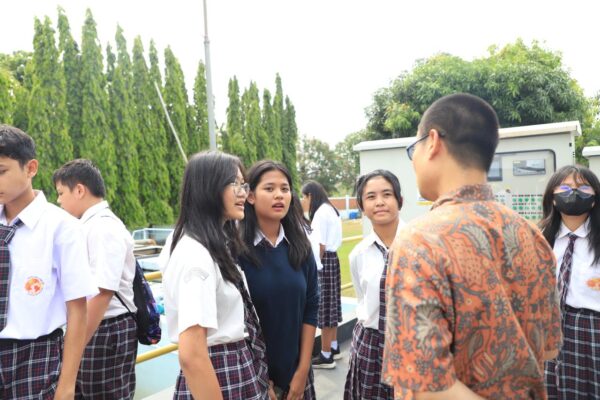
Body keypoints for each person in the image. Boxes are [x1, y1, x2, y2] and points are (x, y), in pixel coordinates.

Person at [382, 93, 561, 399]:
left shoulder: (420, 241)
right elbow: (548, 349)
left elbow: (426, 389)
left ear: (434, 141)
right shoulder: (532, 235)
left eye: (414, 148)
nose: (413, 160)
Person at [159, 151, 270, 400]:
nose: (243, 193)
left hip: (233, 366)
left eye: (244, 184)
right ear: (208, 188)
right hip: (219, 372)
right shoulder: (195, 254)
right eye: (235, 184)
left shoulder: (213, 243)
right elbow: (192, 353)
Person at [0, 125, 97, 399]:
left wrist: (67, 385)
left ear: (30, 168)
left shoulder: (61, 227)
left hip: (34, 356)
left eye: (1, 171)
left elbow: (78, 310)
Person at [53, 159, 138, 399]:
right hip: (99, 325)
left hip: (104, 327)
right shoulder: (91, 226)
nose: (58, 200)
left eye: (61, 193)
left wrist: (74, 345)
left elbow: (102, 293)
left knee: (101, 394)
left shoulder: (103, 228)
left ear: (79, 190)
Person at [239, 160, 319, 400]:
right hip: (253, 377)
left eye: (285, 189)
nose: (279, 196)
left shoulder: (300, 248)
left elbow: (311, 307)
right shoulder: (236, 252)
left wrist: (303, 369)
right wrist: (260, 377)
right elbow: (237, 323)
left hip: (297, 374)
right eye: (269, 188)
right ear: (250, 196)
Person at [540, 165, 600, 399]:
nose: (573, 192)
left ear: (594, 199)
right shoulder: (539, 237)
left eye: (583, 187)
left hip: (594, 330)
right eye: (565, 187)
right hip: (551, 327)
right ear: (553, 199)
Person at [344, 169, 403, 400]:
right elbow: (362, 300)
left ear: (400, 200)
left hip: (411, 343)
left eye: (387, 194)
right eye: (370, 197)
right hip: (371, 344)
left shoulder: (421, 244)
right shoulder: (359, 254)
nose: (379, 202)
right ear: (362, 206)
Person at [301, 181, 343, 369]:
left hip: (324, 263)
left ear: (311, 195)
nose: (303, 201)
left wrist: (314, 267)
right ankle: (333, 347)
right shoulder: (331, 210)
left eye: (304, 196)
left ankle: (326, 355)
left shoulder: (319, 213)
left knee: (325, 308)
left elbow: (320, 245)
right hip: (333, 260)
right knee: (332, 304)